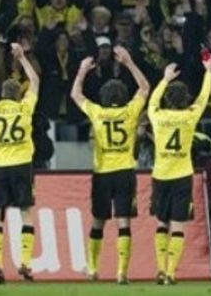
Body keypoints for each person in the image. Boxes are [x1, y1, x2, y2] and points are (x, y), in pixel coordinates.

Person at [70, 46, 150, 284]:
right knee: (123, 221)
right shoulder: (130, 111)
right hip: (125, 172)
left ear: (104, 97)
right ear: (124, 96)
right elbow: (145, 88)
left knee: (98, 221)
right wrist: (129, 61)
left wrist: (82, 70)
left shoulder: (96, 112)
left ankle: (93, 268)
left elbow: (76, 95)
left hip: (102, 173)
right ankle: (121, 272)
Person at [147, 56, 211, 285]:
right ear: (186, 99)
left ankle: (160, 268)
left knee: (161, 224)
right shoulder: (189, 116)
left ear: (167, 99)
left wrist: (164, 79)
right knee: (178, 225)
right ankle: (172, 272)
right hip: (182, 176)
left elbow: (151, 103)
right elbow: (204, 98)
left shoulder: (157, 116)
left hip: (160, 175)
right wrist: (209, 72)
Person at [0, 43, 40, 284]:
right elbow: (34, 82)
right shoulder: (24, 108)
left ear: (3, 94)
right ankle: (25, 262)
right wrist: (22, 58)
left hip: (0, 166)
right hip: (23, 164)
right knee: (26, 213)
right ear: (17, 94)